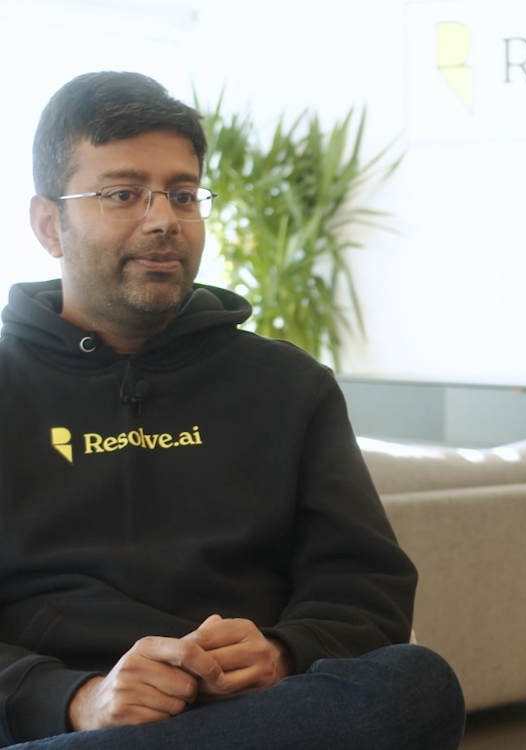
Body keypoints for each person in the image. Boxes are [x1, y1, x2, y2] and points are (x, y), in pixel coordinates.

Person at [0, 72, 464, 749]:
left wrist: (282, 652)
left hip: (255, 707)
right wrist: (75, 700)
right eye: (123, 194)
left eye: (183, 194)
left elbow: (366, 586)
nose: (163, 219)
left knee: (418, 683)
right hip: (60, 727)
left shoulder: (288, 386)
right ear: (50, 225)